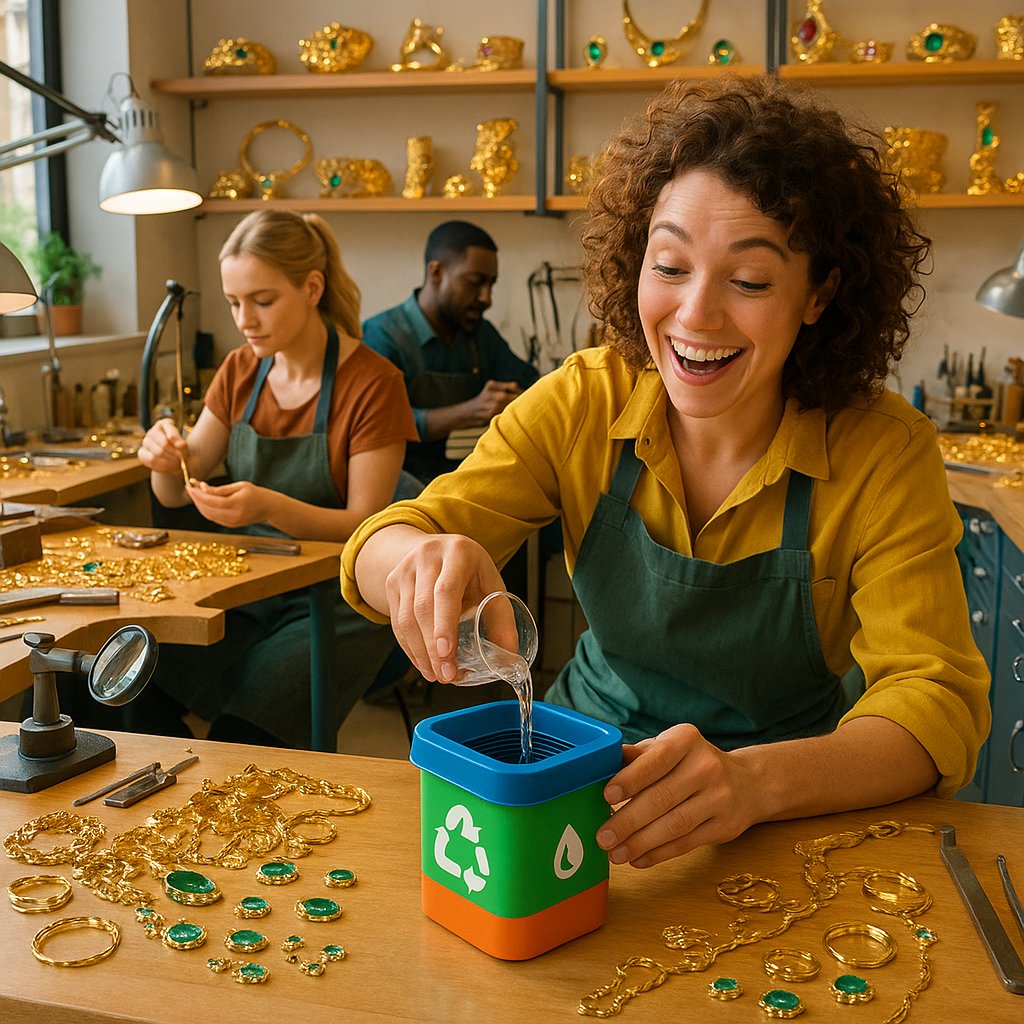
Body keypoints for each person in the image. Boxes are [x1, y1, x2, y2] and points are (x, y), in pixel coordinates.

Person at [340, 75, 991, 867]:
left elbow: (936, 707)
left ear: (819, 292)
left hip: (795, 806)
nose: (695, 318)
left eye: (748, 281)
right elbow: (383, 539)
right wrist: (415, 561)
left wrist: (753, 785)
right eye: (671, 265)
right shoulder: (585, 400)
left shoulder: (884, 451)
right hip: (586, 779)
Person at [137, 208, 417, 747]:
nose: (245, 320)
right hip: (248, 581)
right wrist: (164, 459)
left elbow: (365, 523)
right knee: (125, 682)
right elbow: (178, 486)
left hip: (338, 595)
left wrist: (268, 507)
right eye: (234, 303)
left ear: (312, 287)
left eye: (262, 301)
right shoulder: (240, 370)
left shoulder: (374, 383)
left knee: (244, 739)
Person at [362, 220, 539, 485]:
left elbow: (531, 382)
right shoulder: (382, 336)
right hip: (398, 491)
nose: (486, 298)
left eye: (491, 285)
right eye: (475, 282)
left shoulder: (480, 334)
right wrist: (471, 411)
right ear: (436, 272)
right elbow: (377, 427)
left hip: (466, 483)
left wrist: (516, 398)